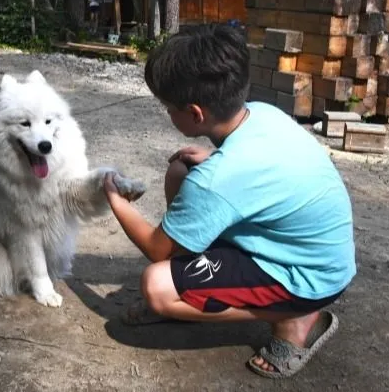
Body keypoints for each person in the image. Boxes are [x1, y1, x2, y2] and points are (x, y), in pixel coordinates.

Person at [102, 23, 356, 379]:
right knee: (180, 170)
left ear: (195, 114)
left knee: (157, 287)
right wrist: (210, 161)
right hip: (318, 253)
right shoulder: (262, 113)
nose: (167, 114)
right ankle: (196, 285)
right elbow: (258, 171)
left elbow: (158, 249)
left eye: (168, 108)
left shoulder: (217, 180)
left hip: (309, 277)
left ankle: (293, 317)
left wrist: (116, 200)